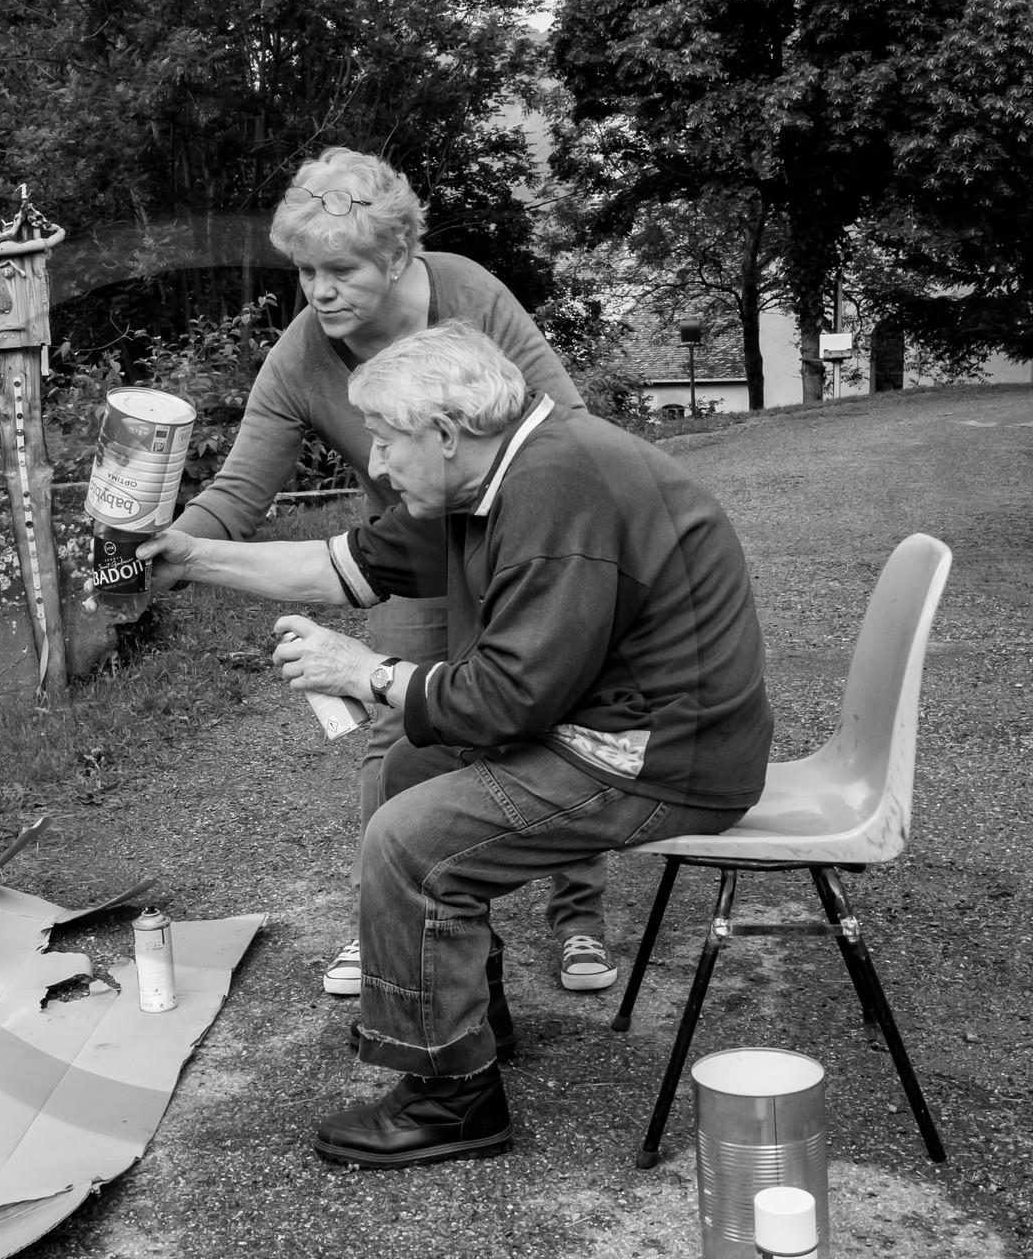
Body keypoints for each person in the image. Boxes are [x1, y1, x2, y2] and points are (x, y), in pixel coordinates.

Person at [141, 321, 772, 1167]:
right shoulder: (490, 477)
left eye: (386, 441)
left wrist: (367, 673)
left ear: (444, 434)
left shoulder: (558, 490)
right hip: (615, 723)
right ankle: (466, 1013)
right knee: (410, 769)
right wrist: (190, 558)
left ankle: (451, 1098)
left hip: (664, 755)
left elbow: (505, 702)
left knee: (411, 844)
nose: (378, 464)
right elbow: (345, 564)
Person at [166, 148, 614, 1000]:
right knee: (397, 722)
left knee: (552, 705)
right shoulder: (302, 357)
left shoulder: (472, 296)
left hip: (519, 534)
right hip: (411, 552)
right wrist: (166, 553)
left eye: (341, 269)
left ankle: (579, 917)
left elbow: (573, 429)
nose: (320, 290)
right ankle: (390, 917)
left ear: (401, 256)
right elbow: (237, 493)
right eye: (305, 271)